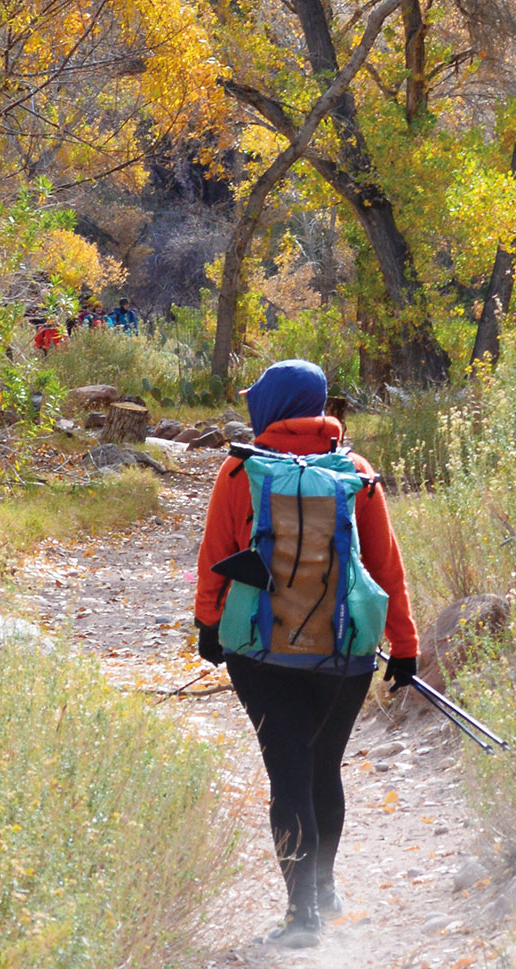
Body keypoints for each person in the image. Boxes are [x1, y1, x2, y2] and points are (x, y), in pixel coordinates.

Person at [193, 359, 418, 949]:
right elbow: (386, 567)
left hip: (262, 654)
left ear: (270, 405)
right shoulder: (357, 473)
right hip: (345, 652)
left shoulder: (240, 470)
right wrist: (406, 645)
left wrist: (208, 628)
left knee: (288, 772)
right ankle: (325, 888)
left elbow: (215, 554)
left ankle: (302, 916)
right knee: (324, 768)